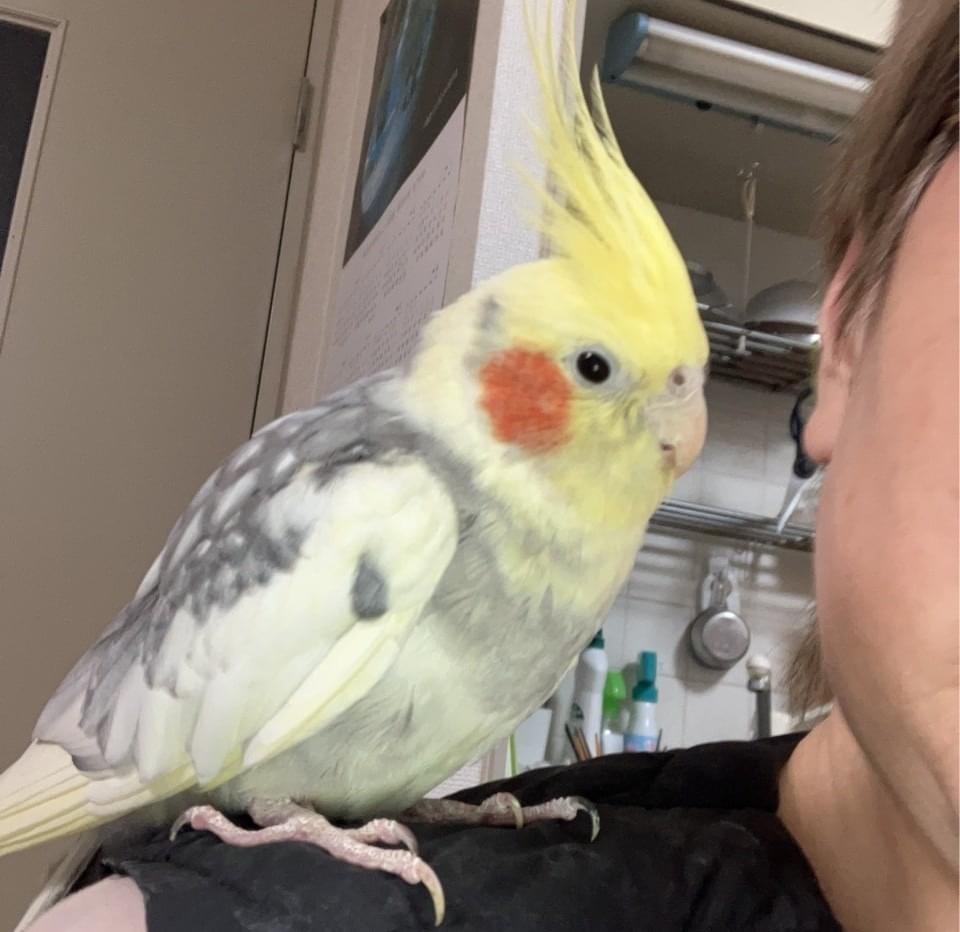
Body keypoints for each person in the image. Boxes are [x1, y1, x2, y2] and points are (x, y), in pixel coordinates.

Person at [23, 0, 960, 929]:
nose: (677, 422)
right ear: (846, 339)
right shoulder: (391, 495)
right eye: (596, 372)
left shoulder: (585, 558)